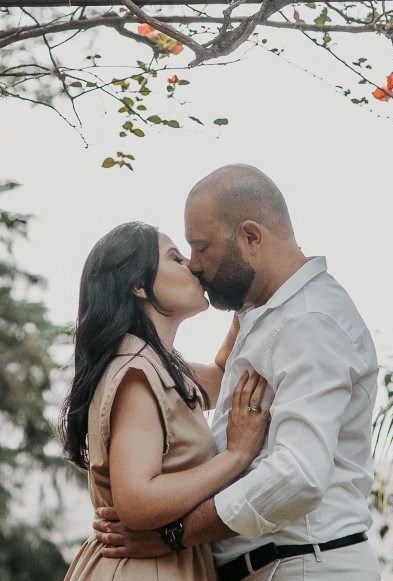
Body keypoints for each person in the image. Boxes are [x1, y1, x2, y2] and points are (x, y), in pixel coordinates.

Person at [93, 165, 380, 580]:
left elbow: (297, 475)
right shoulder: (268, 316)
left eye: (201, 247)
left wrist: (175, 534)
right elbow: (201, 382)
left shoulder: (309, 321)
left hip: (303, 565)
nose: (194, 265)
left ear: (250, 237)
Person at [61, 220, 276, 580]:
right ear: (140, 286)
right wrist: (237, 456)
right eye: (176, 258)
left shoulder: (156, 366)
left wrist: (248, 293)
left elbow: (224, 375)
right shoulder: (136, 373)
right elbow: (138, 501)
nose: (192, 266)